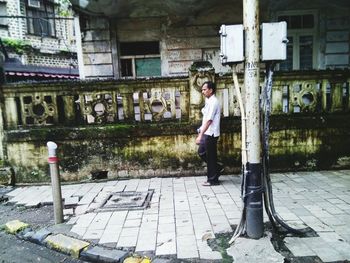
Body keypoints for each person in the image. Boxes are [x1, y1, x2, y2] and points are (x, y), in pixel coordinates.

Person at [196, 81, 222, 186]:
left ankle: (213, 180)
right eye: (202, 89)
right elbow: (206, 118)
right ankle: (217, 168)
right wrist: (201, 129)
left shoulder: (214, 102)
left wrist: (200, 135)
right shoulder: (208, 101)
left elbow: (209, 120)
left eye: (204, 89)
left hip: (211, 133)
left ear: (211, 90)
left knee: (210, 157)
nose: (202, 92)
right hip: (207, 132)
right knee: (201, 152)